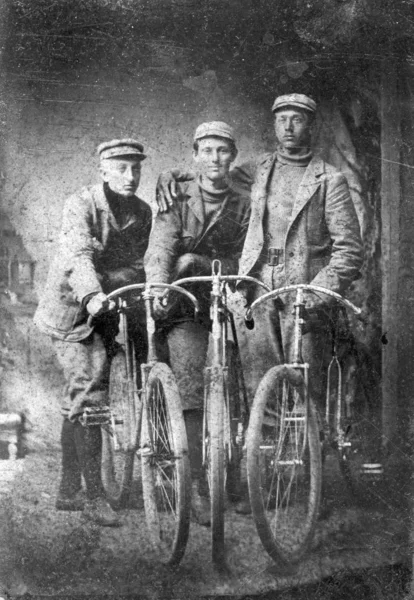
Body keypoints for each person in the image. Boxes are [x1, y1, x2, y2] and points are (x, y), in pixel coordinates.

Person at [156, 95, 364, 513]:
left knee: (305, 385)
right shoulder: (258, 170)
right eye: (282, 120)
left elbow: (349, 251)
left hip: (307, 292)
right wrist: (170, 174)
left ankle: (311, 486)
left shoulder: (331, 179)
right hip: (259, 290)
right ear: (274, 126)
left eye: (298, 120)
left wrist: (320, 290)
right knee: (260, 388)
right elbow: (212, 171)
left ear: (311, 125)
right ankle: (266, 482)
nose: (288, 127)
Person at [34, 139, 152, 526]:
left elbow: (138, 267)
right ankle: (94, 497)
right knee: (90, 392)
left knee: (80, 396)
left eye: (135, 168)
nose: (130, 176)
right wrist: (93, 295)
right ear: (103, 169)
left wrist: (137, 335)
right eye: (120, 167)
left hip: (109, 308)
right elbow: (78, 257)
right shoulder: (80, 204)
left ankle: (68, 490)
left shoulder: (142, 211)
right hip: (73, 312)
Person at [144, 122, 251, 526]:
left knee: (234, 384)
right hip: (185, 306)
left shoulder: (244, 203)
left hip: (225, 303)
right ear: (194, 155)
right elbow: (161, 247)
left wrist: (210, 267)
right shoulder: (176, 199)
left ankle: (238, 477)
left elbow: (249, 253)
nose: (215, 159)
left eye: (223, 151)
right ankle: (196, 487)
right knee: (190, 387)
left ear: (233, 156)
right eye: (206, 151)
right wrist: (158, 285)